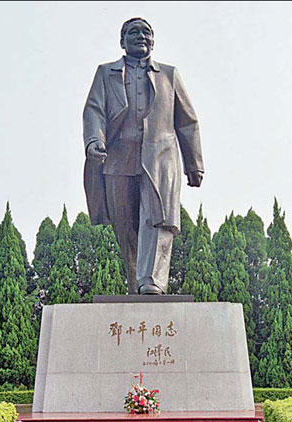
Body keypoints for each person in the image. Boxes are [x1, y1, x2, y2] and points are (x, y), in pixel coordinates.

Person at [83, 17, 204, 294]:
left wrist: (194, 163)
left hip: (160, 157)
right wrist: (94, 140)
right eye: (133, 32)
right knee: (125, 225)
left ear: (153, 40)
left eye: (146, 32)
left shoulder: (169, 75)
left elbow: (187, 122)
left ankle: (152, 281)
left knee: (157, 217)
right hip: (117, 157)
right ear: (122, 41)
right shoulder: (105, 73)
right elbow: (94, 110)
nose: (141, 36)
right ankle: (136, 282)